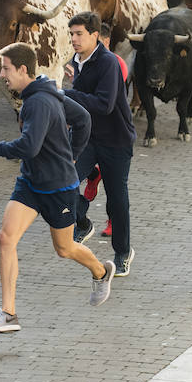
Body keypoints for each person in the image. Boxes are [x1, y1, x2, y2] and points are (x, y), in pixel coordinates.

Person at [0, 43, 114, 335]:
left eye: (6, 68)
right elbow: (82, 120)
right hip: (30, 183)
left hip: (57, 187)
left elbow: (28, 146)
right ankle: (8, 314)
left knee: (64, 248)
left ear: (23, 69)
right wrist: (71, 153)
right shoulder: (46, 93)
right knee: (6, 237)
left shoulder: (40, 102)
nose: (2, 75)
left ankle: (101, 271)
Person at [63, 12, 137, 277]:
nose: (73, 39)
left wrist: (66, 95)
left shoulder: (108, 63)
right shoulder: (77, 60)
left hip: (116, 140)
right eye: (71, 34)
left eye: (79, 34)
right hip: (87, 138)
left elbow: (104, 104)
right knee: (63, 181)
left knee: (117, 199)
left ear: (95, 35)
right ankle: (82, 222)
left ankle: (123, 252)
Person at [82, 24, 129, 238]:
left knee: (116, 191)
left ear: (106, 42)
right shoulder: (81, 62)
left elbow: (105, 102)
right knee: (64, 179)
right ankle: (93, 176)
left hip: (114, 136)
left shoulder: (115, 63)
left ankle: (112, 221)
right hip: (89, 133)